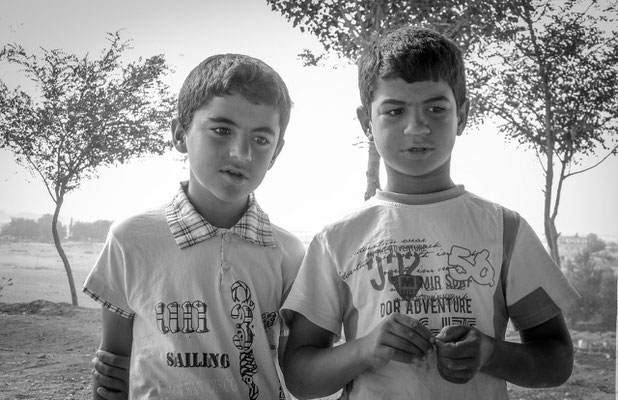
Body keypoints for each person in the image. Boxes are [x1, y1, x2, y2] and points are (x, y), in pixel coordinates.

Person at [280, 26, 579, 400]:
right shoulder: (336, 239)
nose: (416, 126)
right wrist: (365, 349)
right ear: (365, 123)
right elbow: (299, 375)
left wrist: (489, 352)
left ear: (463, 115)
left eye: (436, 108)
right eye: (394, 110)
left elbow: (557, 360)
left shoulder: (505, 229)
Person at [83, 53, 305, 400]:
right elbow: (112, 366)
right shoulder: (131, 239)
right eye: (221, 130)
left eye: (261, 139)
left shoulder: (288, 252)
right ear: (179, 134)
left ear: (276, 152)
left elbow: (296, 366)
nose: (241, 152)